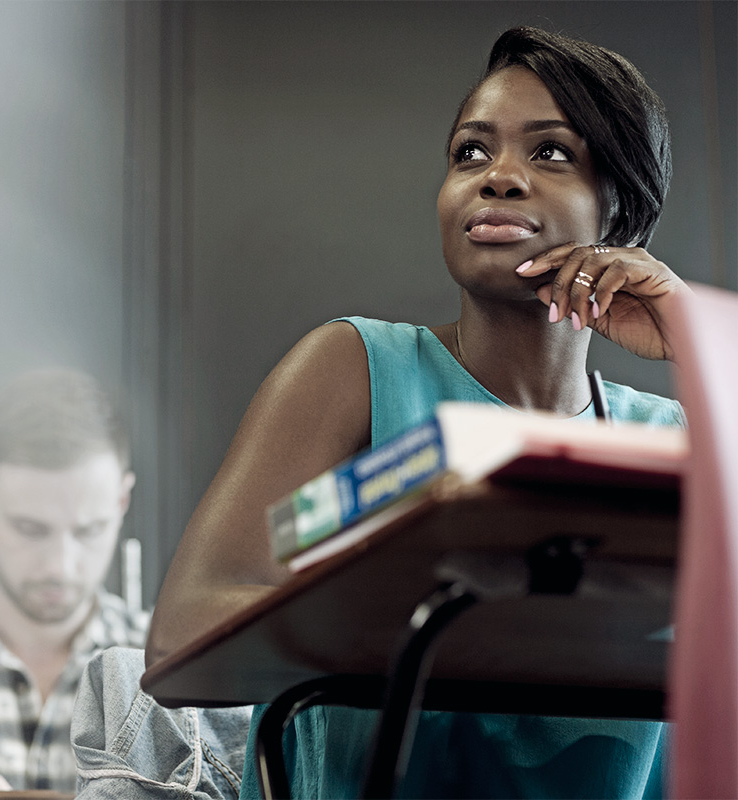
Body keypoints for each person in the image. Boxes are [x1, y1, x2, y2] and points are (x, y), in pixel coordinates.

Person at [145, 26, 692, 798]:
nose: (497, 177)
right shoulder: (353, 368)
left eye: (551, 153)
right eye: (471, 152)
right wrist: (449, 620)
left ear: (622, 214)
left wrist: (691, 342)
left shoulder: (671, 436)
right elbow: (184, 630)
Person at [0, 368, 149, 793]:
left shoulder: (169, 665)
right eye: (31, 529)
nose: (60, 566)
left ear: (122, 501)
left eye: (89, 530)